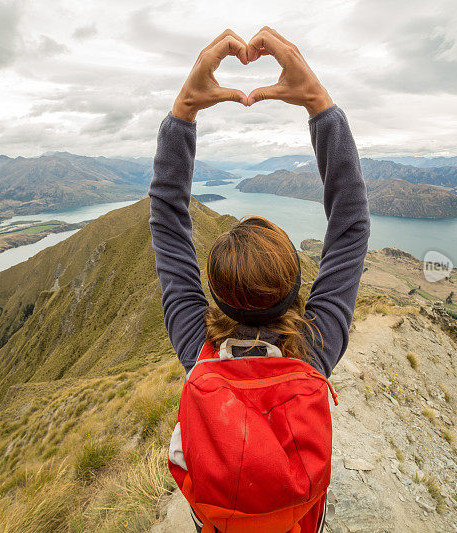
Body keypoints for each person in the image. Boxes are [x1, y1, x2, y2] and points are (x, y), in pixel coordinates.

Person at [149, 27, 370, 533]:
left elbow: (166, 217)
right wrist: (317, 101)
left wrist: (184, 110)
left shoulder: (196, 346)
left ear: (216, 298)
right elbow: (351, 223)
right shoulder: (313, 348)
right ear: (297, 290)